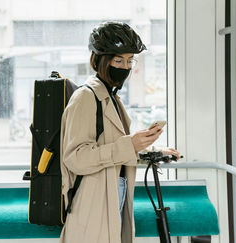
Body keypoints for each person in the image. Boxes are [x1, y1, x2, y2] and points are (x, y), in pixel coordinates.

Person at [59, 21, 180, 243]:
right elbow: (76, 158)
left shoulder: (111, 97)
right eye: (118, 60)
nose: (125, 67)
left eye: (129, 61)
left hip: (114, 192)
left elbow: (114, 146)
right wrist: (130, 145)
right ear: (99, 60)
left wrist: (151, 151)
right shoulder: (86, 97)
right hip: (93, 200)